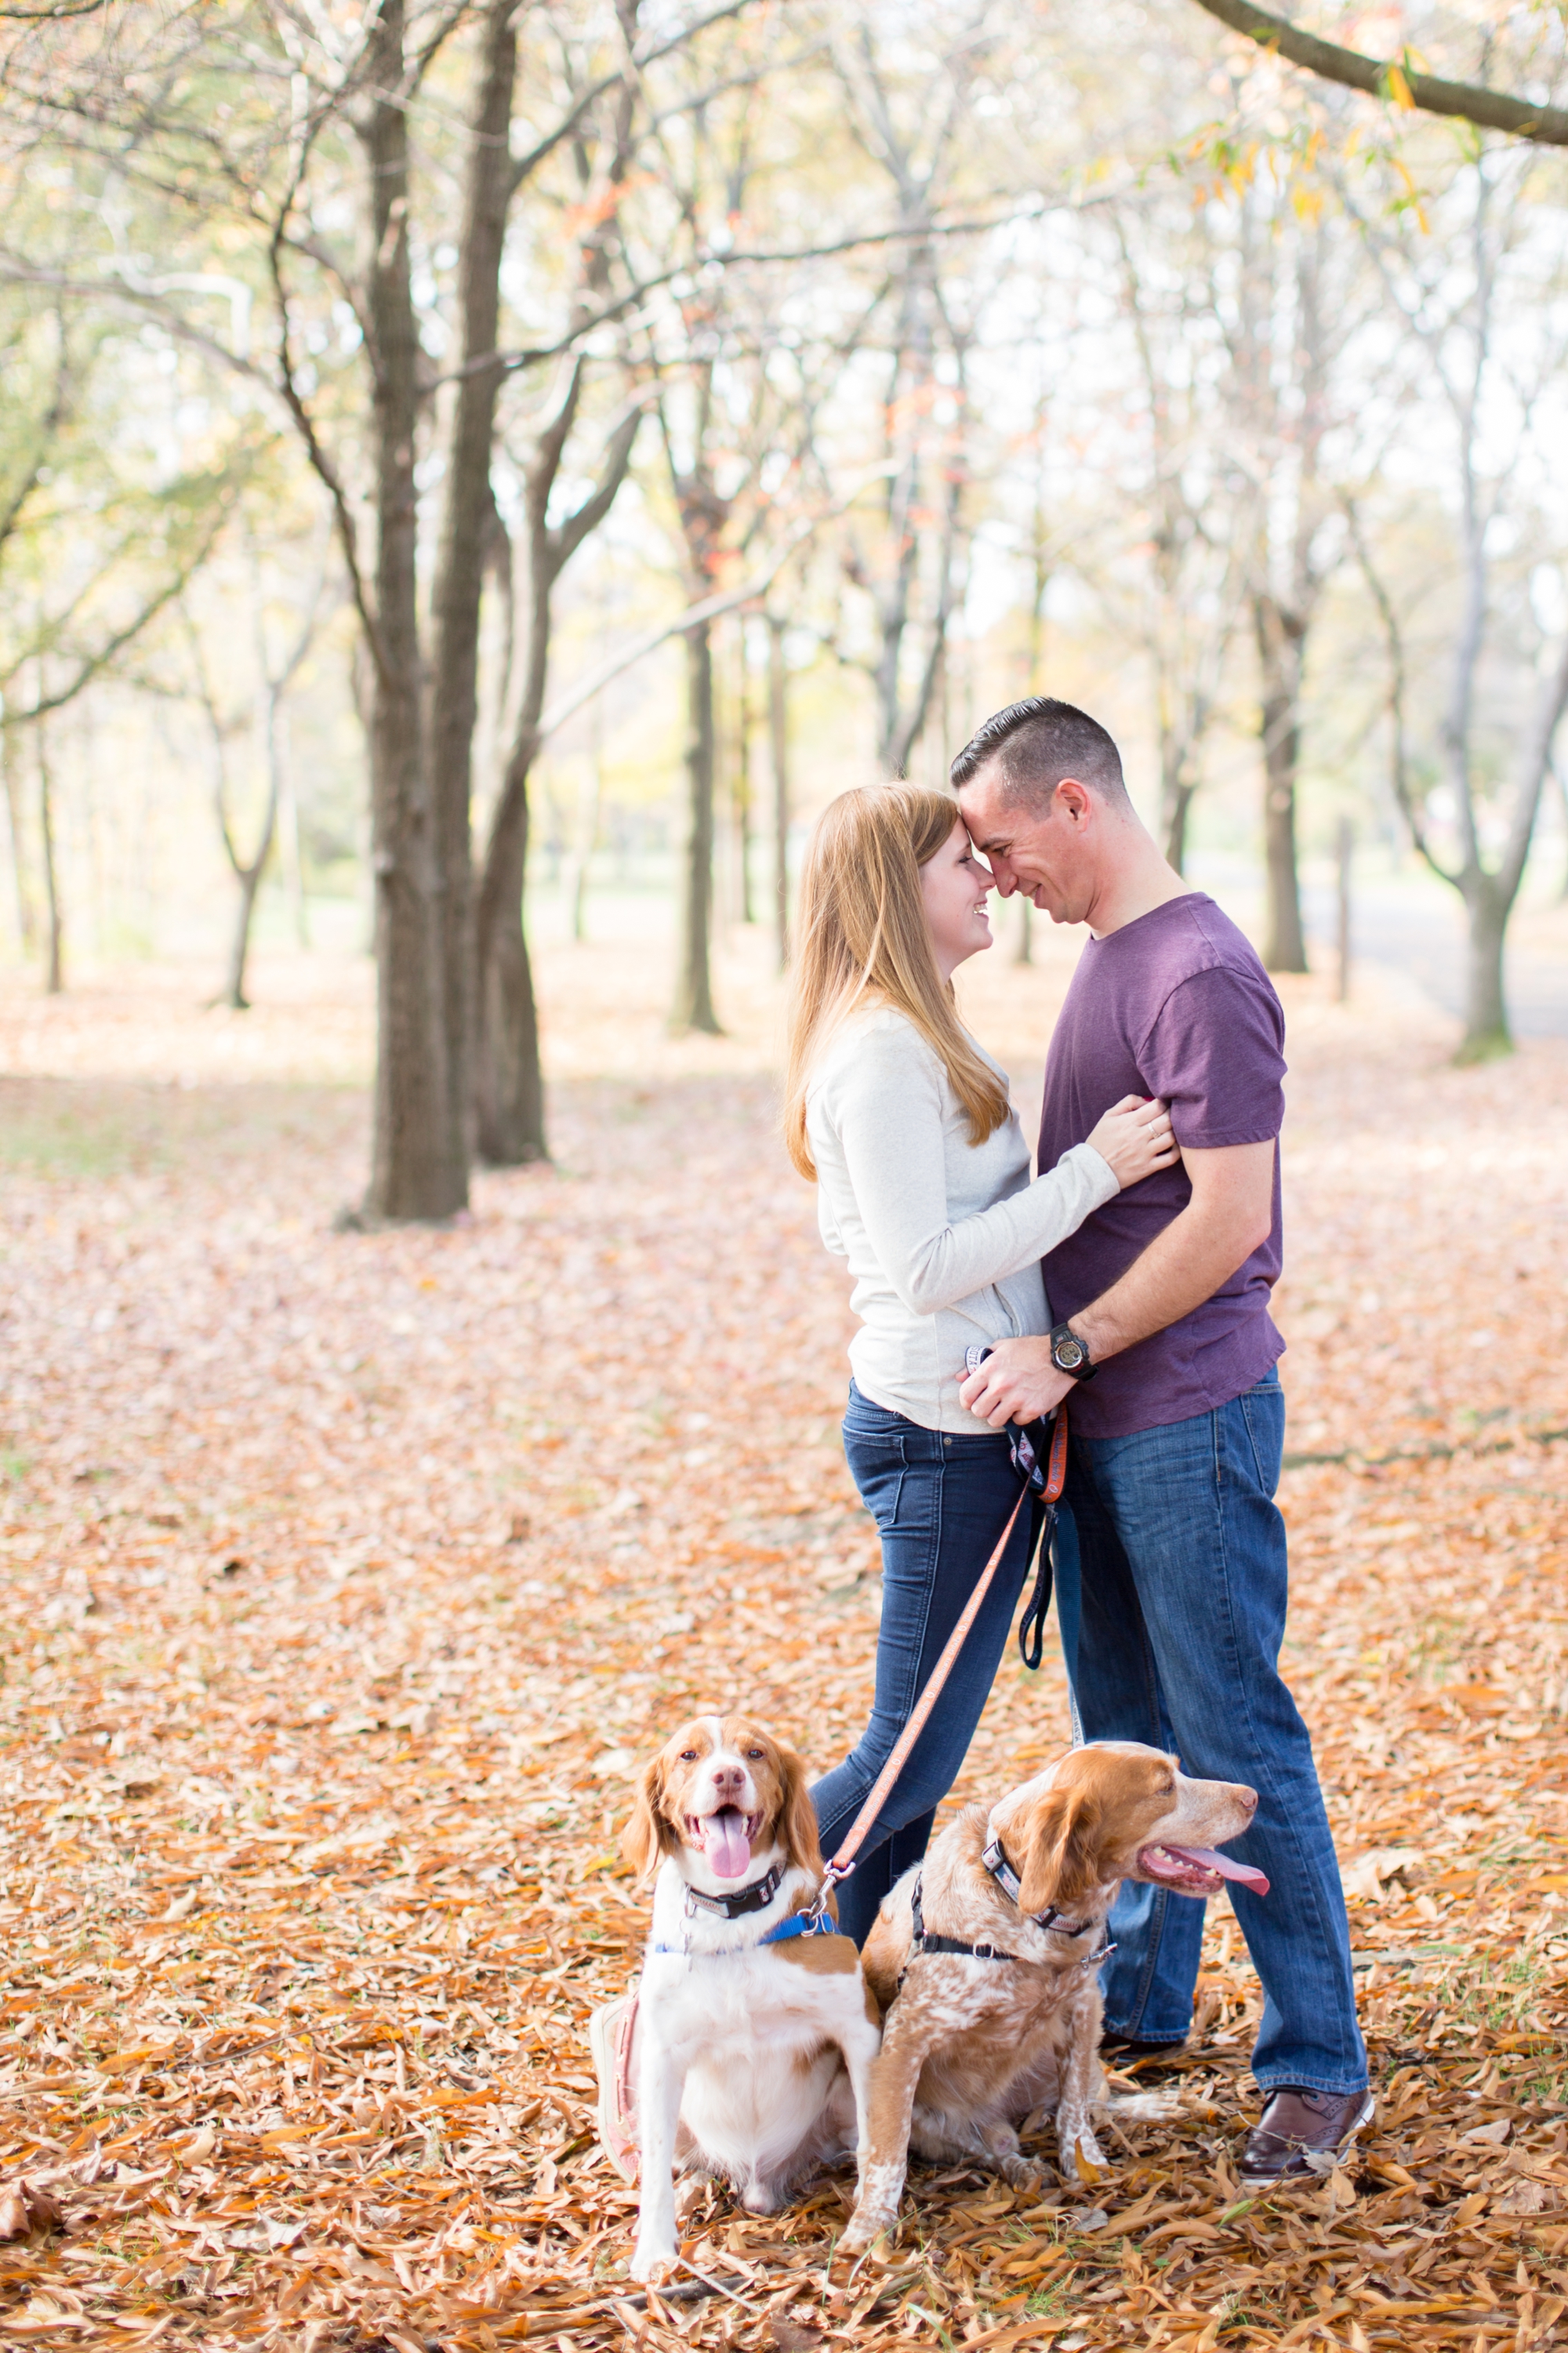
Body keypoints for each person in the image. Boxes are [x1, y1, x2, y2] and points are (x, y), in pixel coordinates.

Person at [950, 695, 1370, 2188]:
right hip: (1103, 1423)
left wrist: (1068, 1346)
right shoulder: (1112, 959)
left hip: (1185, 1415)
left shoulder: (1194, 968)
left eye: (1004, 845)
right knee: (1127, 1739)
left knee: (1236, 1732)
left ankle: (1319, 2062)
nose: (997, 877)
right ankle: (1141, 2001)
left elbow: (1229, 1219)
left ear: (1075, 805)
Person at [786, 782, 1178, 1948]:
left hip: (970, 1429)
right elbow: (925, 1264)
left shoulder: (919, 1030)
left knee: (912, 1775)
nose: (988, 876)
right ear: (897, 890)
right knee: (902, 1759)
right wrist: (1098, 1170)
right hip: (937, 1438)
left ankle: (867, 2020)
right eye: (962, 859)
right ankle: (713, 1921)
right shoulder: (879, 1053)